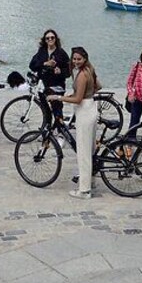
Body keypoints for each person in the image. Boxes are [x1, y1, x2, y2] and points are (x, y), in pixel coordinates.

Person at [47, 47, 101, 199]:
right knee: (90, 151)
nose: (76, 61)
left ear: (84, 58)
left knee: (83, 153)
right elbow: (99, 86)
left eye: (79, 59)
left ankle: (84, 190)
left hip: (84, 111)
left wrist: (58, 98)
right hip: (91, 106)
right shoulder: (90, 69)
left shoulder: (82, 75)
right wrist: (86, 94)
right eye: (74, 59)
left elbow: (77, 99)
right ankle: (91, 181)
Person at [29, 29, 70, 123]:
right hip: (43, 84)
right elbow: (32, 65)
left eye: (52, 37)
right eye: (47, 38)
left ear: (56, 39)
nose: (50, 39)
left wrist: (60, 71)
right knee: (45, 110)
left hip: (57, 84)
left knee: (57, 108)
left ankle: (61, 131)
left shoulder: (61, 53)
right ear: (45, 40)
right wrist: (45, 63)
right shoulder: (41, 51)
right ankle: (47, 130)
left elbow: (68, 71)